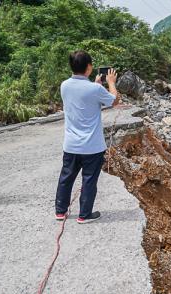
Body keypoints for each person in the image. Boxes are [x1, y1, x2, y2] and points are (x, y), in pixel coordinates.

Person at [55, 50, 120, 224]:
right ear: (89, 67)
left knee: (66, 177)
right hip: (92, 146)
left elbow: (82, 95)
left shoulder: (64, 85)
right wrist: (111, 83)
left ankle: (60, 211)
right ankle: (84, 215)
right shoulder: (95, 89)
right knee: (89, 180)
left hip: (71, 145)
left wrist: (96, 83)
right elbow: (114, 101)